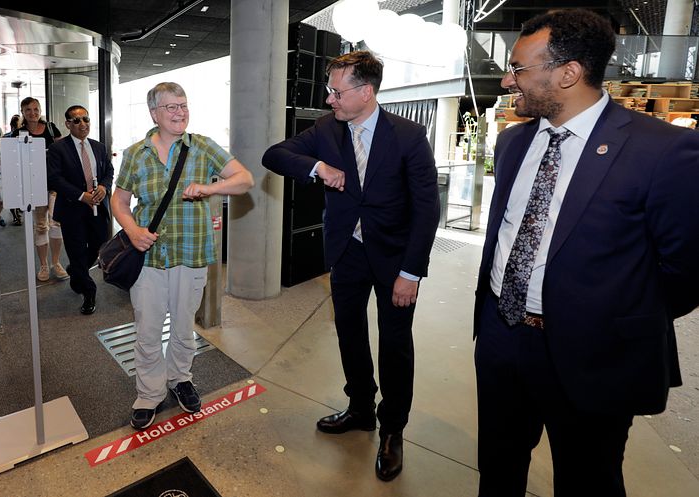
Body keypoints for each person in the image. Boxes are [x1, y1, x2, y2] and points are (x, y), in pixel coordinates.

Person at [473, 9, 699, 497]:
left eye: (519, 68)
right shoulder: (512, 142)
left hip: (591, 355)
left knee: (586, 480)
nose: (509, 79)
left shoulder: (663, 151)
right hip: (501, 336)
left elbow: (685, 270)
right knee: (497, 466)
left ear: (568, 73)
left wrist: (609, 316)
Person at [261, 50, 440, 482]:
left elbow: (427, 208)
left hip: (396, 259)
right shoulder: (327, 130)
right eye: (329, 91)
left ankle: (393, 429)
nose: (329, 100)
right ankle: (361, 409)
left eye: (337, 93)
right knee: (350, 332)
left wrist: (411, 272)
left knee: (395, 344)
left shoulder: (409, 136)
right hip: (348, 253)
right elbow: (274, 155)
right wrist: (318, 166)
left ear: (366, 92)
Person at [112, 82, 254, 430]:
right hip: (148, 258)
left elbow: (245, 179)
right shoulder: (135, 154)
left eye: (184, 105)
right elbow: (119, 201)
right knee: (147, 330)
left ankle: (180, 380)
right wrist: (132, 231)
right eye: (171, 107)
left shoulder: (203, 148)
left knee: (183, 327)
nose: (180, 112)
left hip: (191, 255)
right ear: (154, 114)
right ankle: (148, 394)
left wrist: (210, 188)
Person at [47, 105, 113, 315]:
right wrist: (81, 195)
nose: (83, 124)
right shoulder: (58, 149)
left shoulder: (99, 147)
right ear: (67, 124)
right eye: (77, 121)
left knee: (99, 245)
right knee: (76, 250)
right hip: (72, 208)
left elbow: (108, 171)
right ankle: (88, 291)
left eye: (86, 119)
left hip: (97, 208)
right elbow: (54, 179)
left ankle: (76, 270)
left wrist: (103, 186)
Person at [18, 97, 67, 282]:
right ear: (23, 112)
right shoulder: (19, 133)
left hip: (55, 184)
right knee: (40, 227)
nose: (33, 113)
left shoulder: (51, 128)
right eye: (28, 109)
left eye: (36, 109)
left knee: (56, 224)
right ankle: (44, 265)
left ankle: (56, 263)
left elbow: (62, 151)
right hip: (34, 186)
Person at [5, 114, 24, 225]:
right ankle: (16, 216)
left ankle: (17, 215)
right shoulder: (9, 136)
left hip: (20, 169)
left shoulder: (24, 134)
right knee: (14, 193)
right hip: (13, 169)